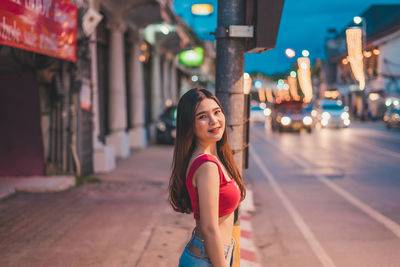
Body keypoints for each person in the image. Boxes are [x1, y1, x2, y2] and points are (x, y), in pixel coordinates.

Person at [169, 88, 246, 267]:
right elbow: (209, 228)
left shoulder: (210, 156)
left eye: (217, 112)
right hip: (208, 258)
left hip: (209, 254)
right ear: (190, 125)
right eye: (202, 116)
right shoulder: (207, 165)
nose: (214, 121)